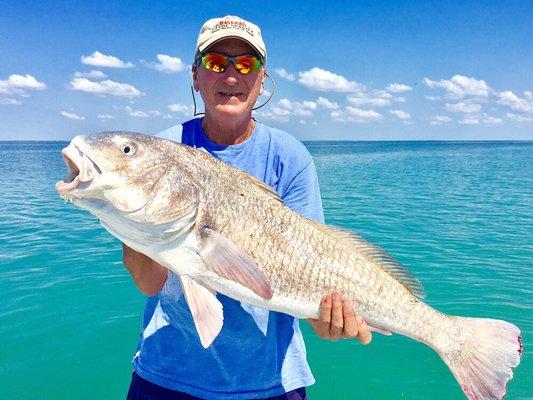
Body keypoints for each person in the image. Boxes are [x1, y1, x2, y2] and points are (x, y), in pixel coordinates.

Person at [123, 15, 372, 400]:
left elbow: (313, 267)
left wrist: (327, 320)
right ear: (195, 75)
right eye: (216, 63)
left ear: (262, 79)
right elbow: (149, 282)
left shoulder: (289, 157)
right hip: (167, 376)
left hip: (271, 383)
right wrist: (135, 224)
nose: (230, 76)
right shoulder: (164, 151)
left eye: (245, 64)